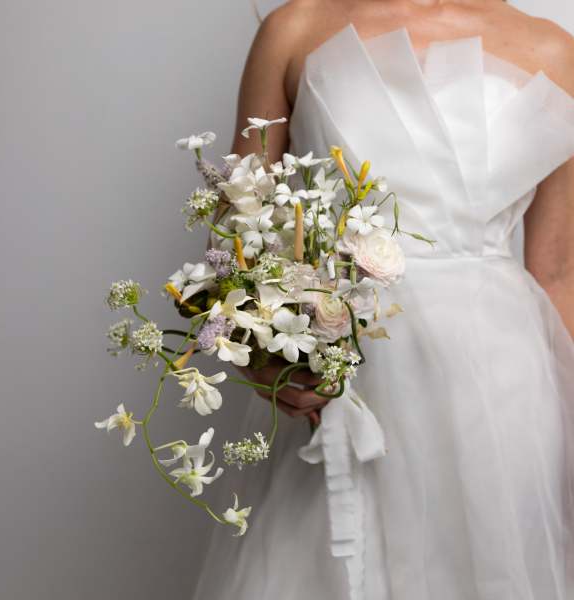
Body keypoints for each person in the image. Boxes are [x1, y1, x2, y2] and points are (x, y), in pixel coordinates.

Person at [194, 1, 574, 598]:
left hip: (504, 389)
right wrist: (261, 358)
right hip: (346, 369)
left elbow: (559, 271)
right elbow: (237, 229)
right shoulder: (296, 27)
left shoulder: (555, 50)